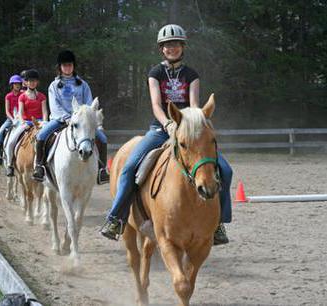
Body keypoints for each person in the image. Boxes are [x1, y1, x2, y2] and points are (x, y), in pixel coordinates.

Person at [100, 24, 233, 244]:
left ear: (183, 47)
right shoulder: (155, 73)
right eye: (168, 45)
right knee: (130, 167)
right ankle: (116, 218)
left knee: (225, 171)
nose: (172, 48)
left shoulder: (192, 75)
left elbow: (193, 105)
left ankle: (218, 223)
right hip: (160, 129)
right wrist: (168, 125)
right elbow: (155, 104)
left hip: (188, 131)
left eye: (176, 44)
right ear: (162, 49)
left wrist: (188, 124)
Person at [32, 50, 109, 184]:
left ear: (74, 66)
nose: (68, 67)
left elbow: (89, 104)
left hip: (81, 121)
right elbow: (54, 105)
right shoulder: (54, 86)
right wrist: (66, 118)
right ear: (60, 67)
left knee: (102, 138)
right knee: (41, 136)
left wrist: (85, 117)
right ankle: (40, 166)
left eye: (70, 65)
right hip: (60, 120)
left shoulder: (83, 85)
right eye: (65, 65)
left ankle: (102, 170)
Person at [4, 69, 48, 176]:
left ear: (37, 82)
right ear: (26, 82)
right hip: (27, 122)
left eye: (34, 81)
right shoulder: (22, 96)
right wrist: (24, 122)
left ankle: (49, 164)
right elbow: (20, 112)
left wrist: (45, 122)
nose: (32, 83)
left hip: (40, 123)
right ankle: (10, 164)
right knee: (11, 141)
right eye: (30, 81)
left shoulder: (42, 96)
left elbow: (45, 112)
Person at [0, 74, 23, 165]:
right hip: (10, 119)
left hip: (21, 118)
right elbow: (7, 111)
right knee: (0, 132)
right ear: (12, 85)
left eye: (19, 83)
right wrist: (12, 119)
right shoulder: (8, 96)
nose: (17, 85)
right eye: (15, 84)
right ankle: (0, 157)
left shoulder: (23, 95)